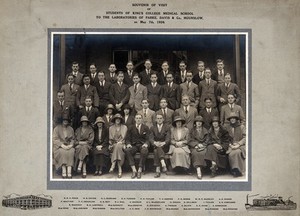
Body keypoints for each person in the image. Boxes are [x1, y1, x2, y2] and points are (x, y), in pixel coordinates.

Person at [125, 114, 150, 179]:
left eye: (139, 118)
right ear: (135, 119)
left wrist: (146, 144)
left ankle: (139, 169)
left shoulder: (146, 127)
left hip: (142, 145)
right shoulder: (131, 127)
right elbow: (127, 138)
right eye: (137, 118)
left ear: (142, 120)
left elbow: (148, 138)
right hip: (134, 145)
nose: (138, 119)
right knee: (127, 150)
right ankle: (134, 170)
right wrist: (128, 144)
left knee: (144, 150)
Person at [225, 112, 246, 177]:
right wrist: (230, 145)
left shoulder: (242, 127)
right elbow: (225, 138)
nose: (232, 120)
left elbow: (245, 138)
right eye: (231, 118)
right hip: (230, 145)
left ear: (236, 119)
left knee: (237, 152)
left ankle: (239, 170)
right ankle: (234, 169)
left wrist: (238, 144)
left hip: (240, 145)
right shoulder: (227, 127)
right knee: (231, 154)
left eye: (234, 118)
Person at [108, 114, 128, 178]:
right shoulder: (111, 128)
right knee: (117, 146)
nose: (118, 120)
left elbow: (126, 138)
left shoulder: (124, 127)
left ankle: (113, 165)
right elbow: (110, 139)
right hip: (113, 144)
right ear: (114, 120)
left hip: (122, 144)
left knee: (118, 146)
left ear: (121, 120)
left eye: (119, 119)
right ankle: (120, 170)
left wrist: (121, 142)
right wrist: (111, 144)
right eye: (116, 119)